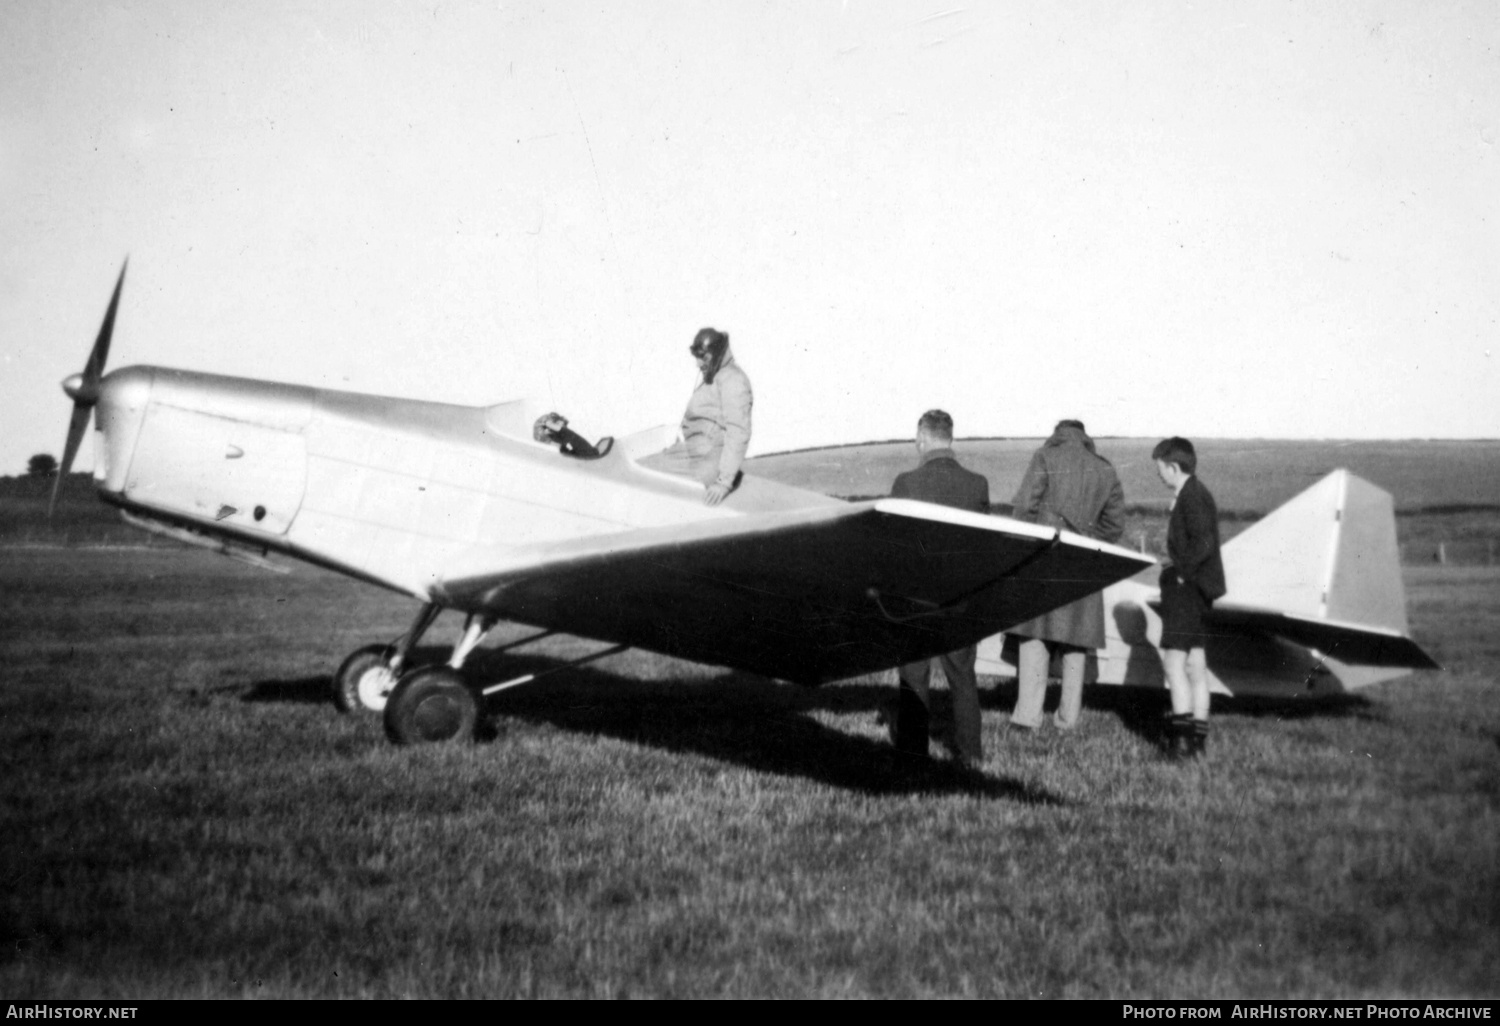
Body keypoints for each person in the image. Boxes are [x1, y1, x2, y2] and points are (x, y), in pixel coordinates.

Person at [1006, 420, 1127, 734]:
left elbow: (1023, 510)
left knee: (1035, 637)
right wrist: (1087, 544)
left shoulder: (1045, 456)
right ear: (1085, 436)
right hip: (1085, 563)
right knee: (1076, 643)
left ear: (1058, 433)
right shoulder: (1106, 469)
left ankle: (1028, 717)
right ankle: (1067, 720)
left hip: (1045, 559)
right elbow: (1114, 526)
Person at [888, 410, 990, 766]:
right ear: (951, 439)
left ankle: (912, 753)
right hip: (961, 597)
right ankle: (972, 755)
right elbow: (982, 546)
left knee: (914, 676)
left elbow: (896, 546)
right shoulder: (978, 485)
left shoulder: (906, 483)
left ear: (923, 438)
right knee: (963, 677)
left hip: (916, 597)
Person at [1152, 436, 1226, 759]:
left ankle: (1180, 743)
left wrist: (1181, 571)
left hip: (1186, 591)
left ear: (1173, 466)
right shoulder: (1196, 493)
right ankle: (1197, 741)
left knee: (1173, 664)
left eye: (1160, 469)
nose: (1158, 475)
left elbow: (1204, 543)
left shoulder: (1191, 497)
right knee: (1196, 666)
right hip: (1199, 593)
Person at [640, 327, 752, 506]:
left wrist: (723, 482)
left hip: (707, 459)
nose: (698, 364)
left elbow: (738, 430)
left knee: (642, 475)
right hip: (695, 452)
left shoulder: (733, 380)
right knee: (640, 467)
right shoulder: (716, 376)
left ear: (716, 354)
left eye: (704, 357)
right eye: (697, 357)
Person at [532, 412, 611, 460]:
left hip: (592, 455)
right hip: (588, 456)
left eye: (562, 424)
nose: (562, 426)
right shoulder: (560, 441)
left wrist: (546, 423)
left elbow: (550, 425)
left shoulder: (565, 432)